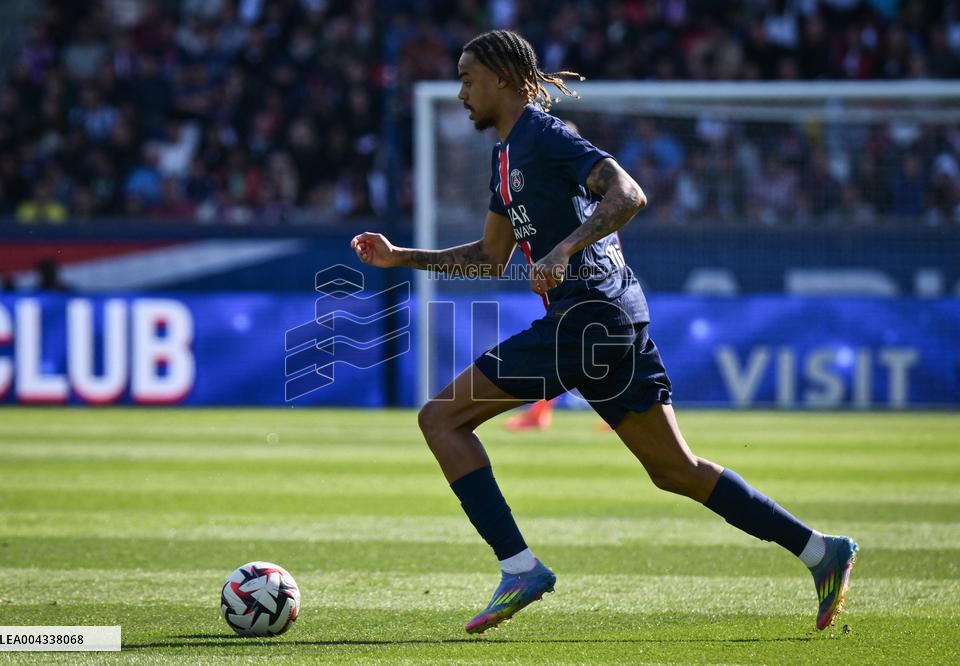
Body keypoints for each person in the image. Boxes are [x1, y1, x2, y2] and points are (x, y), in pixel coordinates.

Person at [351, 29, 857, 635]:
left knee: (441, 418)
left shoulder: (547, 137)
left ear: (504, 78)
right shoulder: (506, 156)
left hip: (589, 317)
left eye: (467, 78)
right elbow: (490, 257)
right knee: (675, 470)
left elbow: (629, 193)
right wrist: (400, 257)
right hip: (606, 321)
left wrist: (564, 248)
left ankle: (519, 567)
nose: (460, 92)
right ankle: (821, 552)